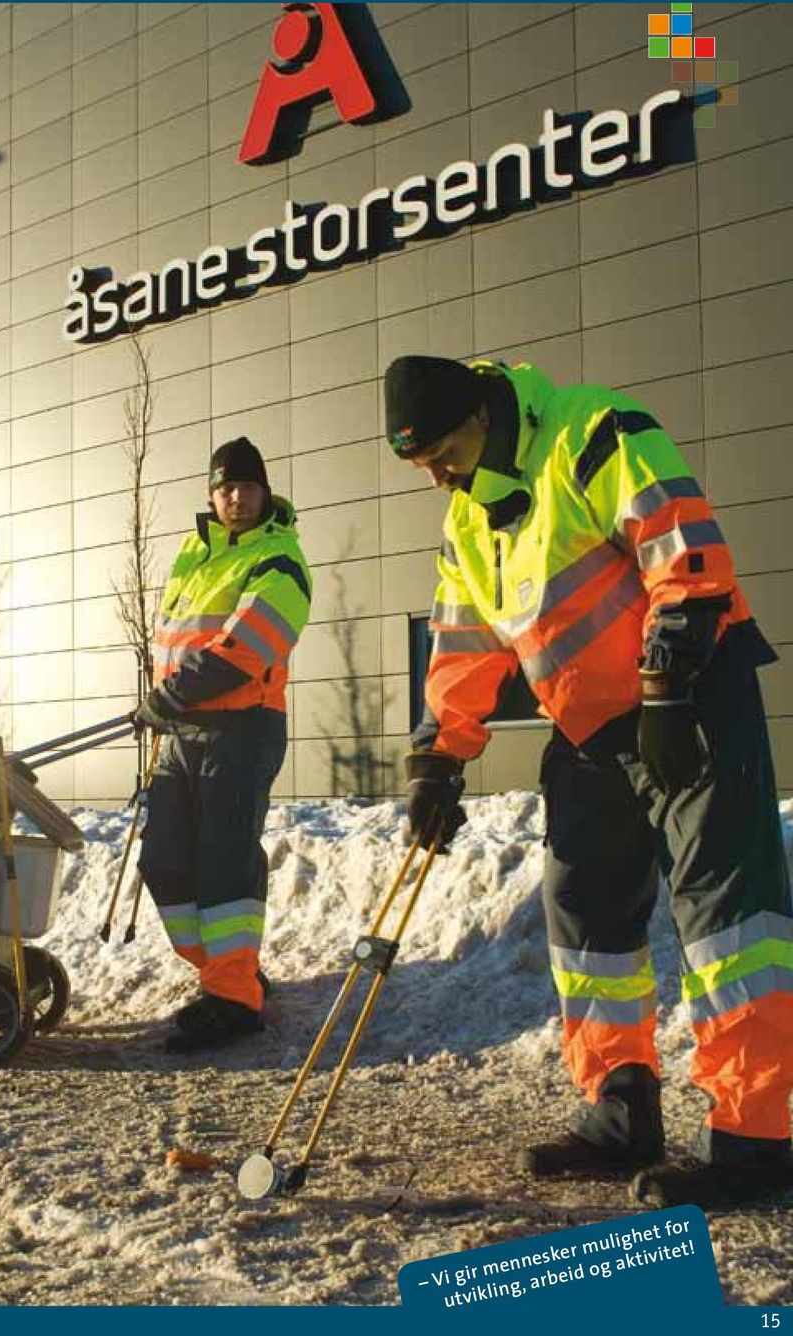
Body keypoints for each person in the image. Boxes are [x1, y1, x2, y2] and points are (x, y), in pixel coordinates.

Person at [384, 353, 793, 1210]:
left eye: (440, 453)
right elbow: (463, 645)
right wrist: (438, 758)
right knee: (586, 916)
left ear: (482, 415)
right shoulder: (468, 521)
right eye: (416, 462)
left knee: (729, 919)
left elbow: (681, 544)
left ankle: (755, 1140)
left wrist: (670, 686)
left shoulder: (590, 431)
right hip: (589, 729)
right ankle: (621, 1108)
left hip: (686, 698)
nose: (433, 475)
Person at [132, 437, 311, 1054]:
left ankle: (234, 1000)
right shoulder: (194, 554)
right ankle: (227, 972)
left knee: (223, 862)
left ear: (266, 492)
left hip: (242, 727)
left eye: (247, 486)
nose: (236, 497)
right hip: (182, 730)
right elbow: (175, 642)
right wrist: (162, 701)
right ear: (212, 494)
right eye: (226, 487)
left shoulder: (280, 558)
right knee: (162, 858)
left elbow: (250, 645)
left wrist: (173, 694)